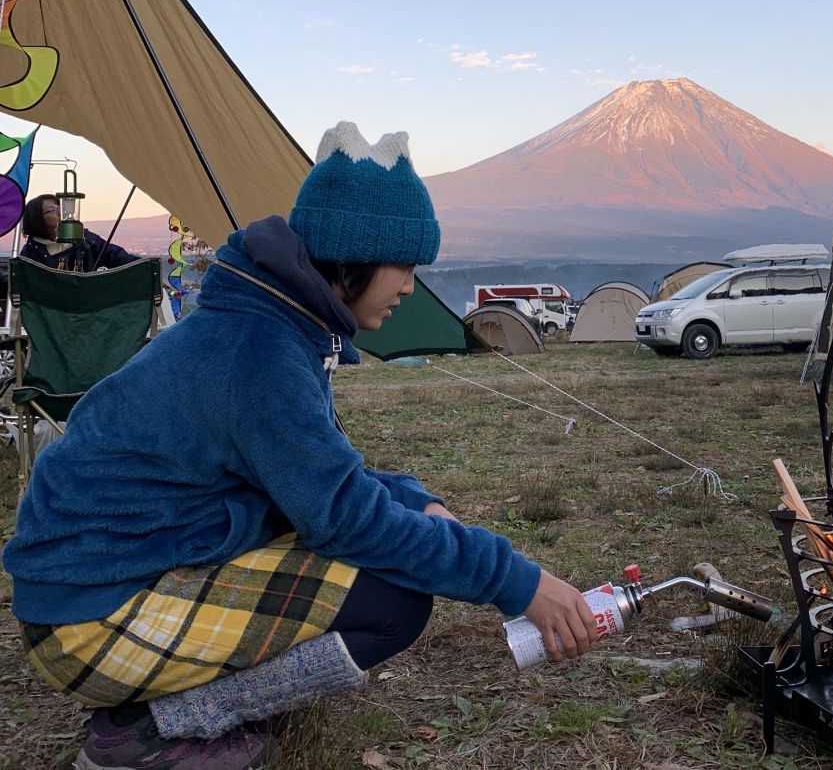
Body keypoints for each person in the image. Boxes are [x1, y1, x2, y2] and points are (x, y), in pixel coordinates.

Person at [2, 124, 599, 770]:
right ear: (351, 259)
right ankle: (149, 729)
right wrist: (514, 580)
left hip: (109, 574)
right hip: (87, 619)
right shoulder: (260, 352)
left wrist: (416, 500)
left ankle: (183, 696)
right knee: (389, 600)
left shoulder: (267, 324)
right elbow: (344, 517)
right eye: (403, 266)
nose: (408, 286)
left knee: (379, 553)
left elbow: (324, 474)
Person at [19, 194, 139, 271]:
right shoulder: (30, 254)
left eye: (60, 207)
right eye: (51, 210)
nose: (60, 212)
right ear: (37, 219)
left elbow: (115, 255)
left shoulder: (85, 238)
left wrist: (144, 266)